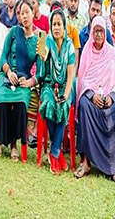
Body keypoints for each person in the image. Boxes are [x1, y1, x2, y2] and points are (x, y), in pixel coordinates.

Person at [74, 16, 115, 183]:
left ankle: (114, 167)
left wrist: (112, 96)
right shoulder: (87, 52)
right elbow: (82, 78)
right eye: (96, 31)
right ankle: (86, 161)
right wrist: (91, 95)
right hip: (92, 96)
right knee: (84, 105)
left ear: (105, 33)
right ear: (92, 33)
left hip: (109, 95)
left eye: (101, 31)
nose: (98, 35)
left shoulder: (111, 52)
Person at [0, 0, 39, 161]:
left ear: (33, 13)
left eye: (27, 12)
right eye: (20, 13)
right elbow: (2, 57)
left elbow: (40, 72)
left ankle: (13, 143)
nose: (24, 16)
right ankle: (0, 139)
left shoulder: (39, 40)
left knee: (20, 104)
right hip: (6, 77)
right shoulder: (13, 32)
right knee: (1, 101)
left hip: (23, 82)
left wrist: (30, 82)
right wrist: (9, 71)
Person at [38, 9, 76, 174]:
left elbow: (70, 75)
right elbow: (43, 54)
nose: (56, 28)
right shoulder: (47, 41)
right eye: (54, 24)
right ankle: (57, 152)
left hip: (65, 87)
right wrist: (42, 51)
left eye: (59, 24)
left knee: (62, 106)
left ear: (64, 26)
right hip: (48, 84)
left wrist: (66, 94)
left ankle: (53, 152)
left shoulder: (70, 46)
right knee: (49, 104)